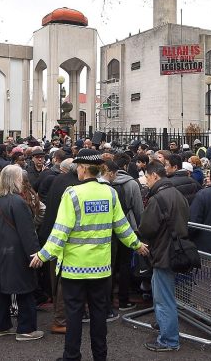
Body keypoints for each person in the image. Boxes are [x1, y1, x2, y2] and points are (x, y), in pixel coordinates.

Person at [31, 148, 149, 361]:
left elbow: (61, 231)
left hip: (74, 270)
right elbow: (122, 227)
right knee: (99, 315)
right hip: (102, 269)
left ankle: (72, 356)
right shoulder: (110, 193)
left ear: (84, 169)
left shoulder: (72, 194)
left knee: (74, 316)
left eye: (78, 167)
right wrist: (136, 244)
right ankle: (100, 356)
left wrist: (43, 254)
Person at [139, 160, 189, 351]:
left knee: (164, 298)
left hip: (163, 252)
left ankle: (168, 340)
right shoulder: (177, 194)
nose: (145, 181)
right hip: (174, 251)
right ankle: (166, 331)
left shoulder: (157, 198)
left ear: (154, 176)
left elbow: (146, 228)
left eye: (147, 177)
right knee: (165, 295)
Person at [0, 165, 44, 341]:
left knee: (5, 289)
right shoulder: (18, 201)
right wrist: (36, 254)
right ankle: (26, 329)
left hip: (2, 250)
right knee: (26, 289)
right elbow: (27, 232)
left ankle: (1, 325)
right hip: (18, 253)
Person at [40, 157, 80, 334]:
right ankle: (61, 320)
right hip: (62, 238)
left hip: (51, 234)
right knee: (64, 282)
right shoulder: (73, 186)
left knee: (56, 280)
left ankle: (60, 315)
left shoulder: (59, 179)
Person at [110, 152, 145, 311]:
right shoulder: (132, 183)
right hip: (127, 226)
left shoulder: (106, 183)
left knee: (109, 264)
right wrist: (139, 227)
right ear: (125, 166)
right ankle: (123, 299)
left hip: (108, 228)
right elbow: (138, 209)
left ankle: (108, 300)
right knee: (125, 263)